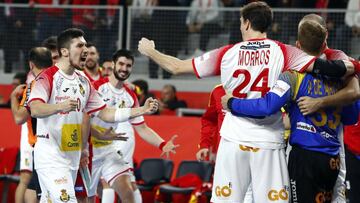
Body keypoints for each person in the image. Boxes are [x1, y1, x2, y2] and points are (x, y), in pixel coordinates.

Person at [138, 2, 358, 202]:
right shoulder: (284, 52)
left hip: (233, 139)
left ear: (246, 23)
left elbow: (176, 67)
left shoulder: (226, 53)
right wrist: (350, 67)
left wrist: (150, 51)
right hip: (268, 142)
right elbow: (329, 67)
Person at [221, 20, 359, 203]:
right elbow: (351, 117)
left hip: (304, 158)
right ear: (325, 44)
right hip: (332, 159)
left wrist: (232, 103)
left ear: (298, 46)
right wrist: (328, 102)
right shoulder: (340, 79)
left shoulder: (293, 76)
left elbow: (266, 107)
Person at [27, 28, 158, 203]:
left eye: (86, 46)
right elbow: (35, 108)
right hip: (51, 157)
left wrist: (140, 110)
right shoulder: (47, 77)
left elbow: (105, 112)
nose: (86, 50)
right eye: (80, 45)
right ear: (64, 51)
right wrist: (60, 106)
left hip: (72, 158)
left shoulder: (84, 81)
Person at [87, 49, 178, 203]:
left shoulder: (130, 95)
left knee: (128, 193)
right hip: (89, 151)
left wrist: (162, 144)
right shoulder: (96, 87)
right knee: (88, 198)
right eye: (121, 64)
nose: (124, 68)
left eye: (128, 66)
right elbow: (84, 120)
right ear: (114, 64)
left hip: (110, 152)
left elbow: (142, 128)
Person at [10, 47, 53, 203]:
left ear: (31, 64)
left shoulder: (34, 86)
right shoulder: (62, 82)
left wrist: (14, 97)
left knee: (39, 191)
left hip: (43, 146)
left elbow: (19, 118)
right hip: (65, 145)